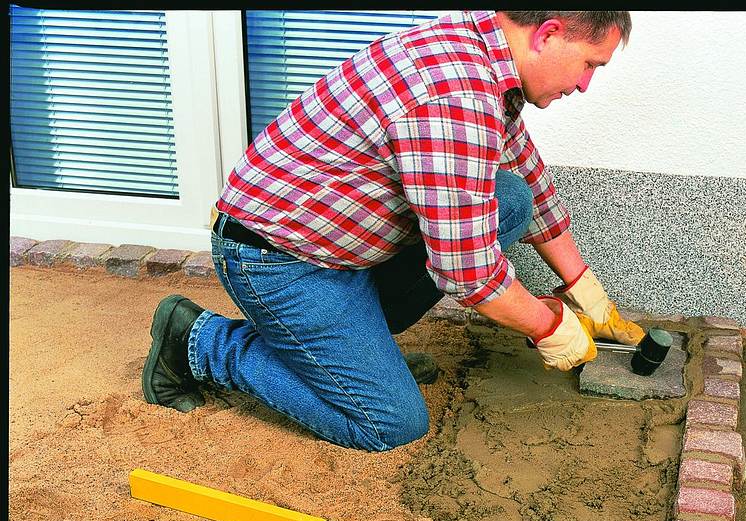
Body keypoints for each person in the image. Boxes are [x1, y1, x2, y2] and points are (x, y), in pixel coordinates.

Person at [142, 10, 645, 452]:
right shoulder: (455, 94)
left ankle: (354, 353)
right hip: (278, 260)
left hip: (339, 242)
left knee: (509, 199)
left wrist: (586, 291)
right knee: (389, 422)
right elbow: (467, 274)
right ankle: (200, 342)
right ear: (548, 34)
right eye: (589, 65)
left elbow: (528, 180)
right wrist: (550, 327)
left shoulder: (484, 53)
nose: (584, 85)